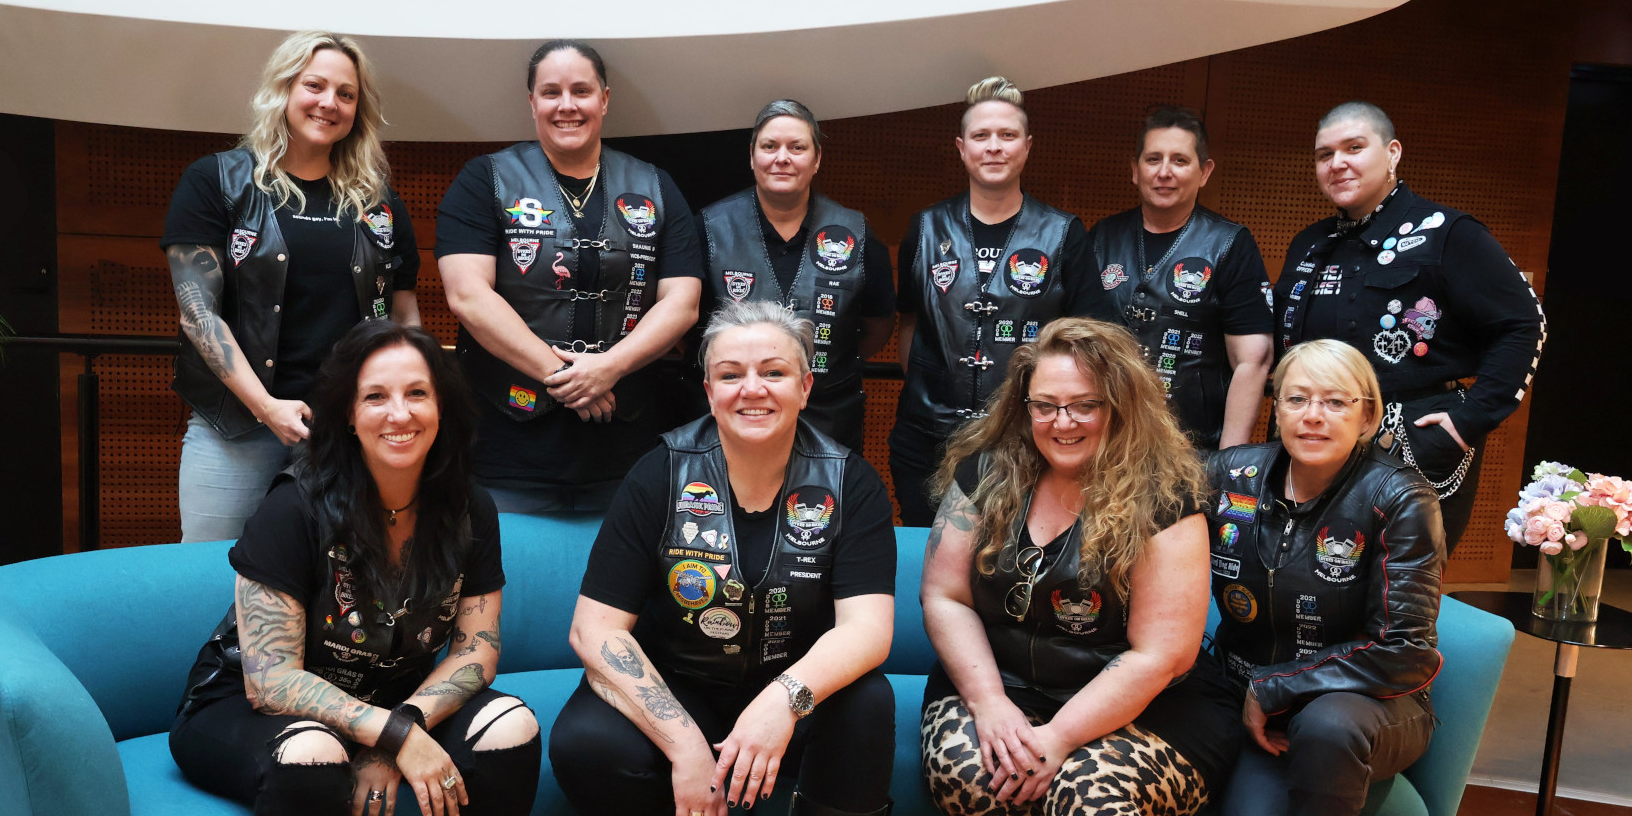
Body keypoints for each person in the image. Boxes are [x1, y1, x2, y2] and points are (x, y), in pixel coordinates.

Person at [170, 321, 556, 816]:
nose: (398, 412)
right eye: (375, 396)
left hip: (381, 701)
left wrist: (400, 729)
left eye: (417, 393)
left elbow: (478, 648)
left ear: (442, 407)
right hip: (246, 709)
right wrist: (388, 736)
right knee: (313, 751)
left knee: (514, 723)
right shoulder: (296, 505)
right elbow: (270, 679)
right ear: (348, 412)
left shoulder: (468, 507)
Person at [550, 300, 897, 816]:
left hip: (797, 694)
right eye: (730, 373)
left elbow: (869, 631)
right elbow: (594, 630)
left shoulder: (852, 482)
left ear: (807, 385)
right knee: (580, 740)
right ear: (707, 389)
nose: (752, 389)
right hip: (684, 688)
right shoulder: (659, 472)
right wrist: (683, 745)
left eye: (774, 372)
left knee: (870, 704)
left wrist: (782, 702)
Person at [920, 317, 1241, 816]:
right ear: (1022, 405)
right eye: (1045, 404)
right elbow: (943, 593)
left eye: (1084, 405)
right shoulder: (986, 471)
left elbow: (1161, 654)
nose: (1062, 422)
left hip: (1151, 711)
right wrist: (992, 705)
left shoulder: (1169, 492)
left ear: (1120, 405)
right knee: (961, 765)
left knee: (1087, 785)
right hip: (1009, 688)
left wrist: (1058, 738)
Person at [1209, 339, 1462, 816]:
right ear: (1276, 407)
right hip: (1265, 702)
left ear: (1370, 416)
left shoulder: (1400, 497)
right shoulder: (1232, 475)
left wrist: (1280, 686)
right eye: (1296, 398)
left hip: (1377, 706)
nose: (1312, 416)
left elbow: (1406, 650)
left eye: (1334, 401)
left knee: (1327, 727)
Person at [165, 30, 421, 543]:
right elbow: (198, 313)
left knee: (338, 586)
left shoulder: (380, 204)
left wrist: (404, 400)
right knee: (209, 576)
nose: (329, 103)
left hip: (347, 431)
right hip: (236, 428)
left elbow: (404, 317)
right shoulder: (217, 181)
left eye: (346, 94)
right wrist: (267, 407)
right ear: (283, 90)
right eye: (315, 86)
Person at [436, 39, 702, 513]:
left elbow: (683, 303)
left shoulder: (658, 185)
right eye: (551, 92)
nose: (566, 105)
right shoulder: (484, 179)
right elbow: (468, 296)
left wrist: (609, 368)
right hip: (505, 438)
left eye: (581, 91)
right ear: (532, 102)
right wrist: (562, 376)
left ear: (604, 99)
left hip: (625, 438)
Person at [1275, 101, 1544, 549]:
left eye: (1354, 148)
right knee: (1303, 578)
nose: (1338, 163)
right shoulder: (1308, 245)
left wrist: (1467, 421)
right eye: (1325, 155)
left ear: (1393, 153)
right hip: (1312, 439)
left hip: (1412, 440)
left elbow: (1524, 325)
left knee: (1398, 596)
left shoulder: (1449, 232)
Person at [889, 76, 1120, 527]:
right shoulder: (925, 228)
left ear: (1027, 146)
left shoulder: (1063, 232)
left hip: (1023, 438)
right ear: (961, 147)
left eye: (1007, 135)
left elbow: (1094, 339)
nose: (994, 147)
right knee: (927, 553)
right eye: (981, 136)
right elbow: (910, 322)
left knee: (1005, 560)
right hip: (925, 436)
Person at [696, 99, 896, 453]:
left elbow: (879, 325)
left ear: (816, 159)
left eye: (797, 147)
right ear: (752, 156)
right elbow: (688, 328)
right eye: (769, 146)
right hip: (735, 416)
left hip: (830, 415)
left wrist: (827, 362)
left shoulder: (857, 232)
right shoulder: (709, 228)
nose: (782, 157)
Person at [1092, 105, 1274, 453]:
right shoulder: (1102, 236)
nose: (1164, 172)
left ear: (1204, 172)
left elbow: (1253, 361)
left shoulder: (1229, 244)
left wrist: (1228, 460)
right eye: (1153, 159)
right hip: (1106, 438)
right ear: (1135, 170)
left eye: (1179, 160)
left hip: (1192, 446)